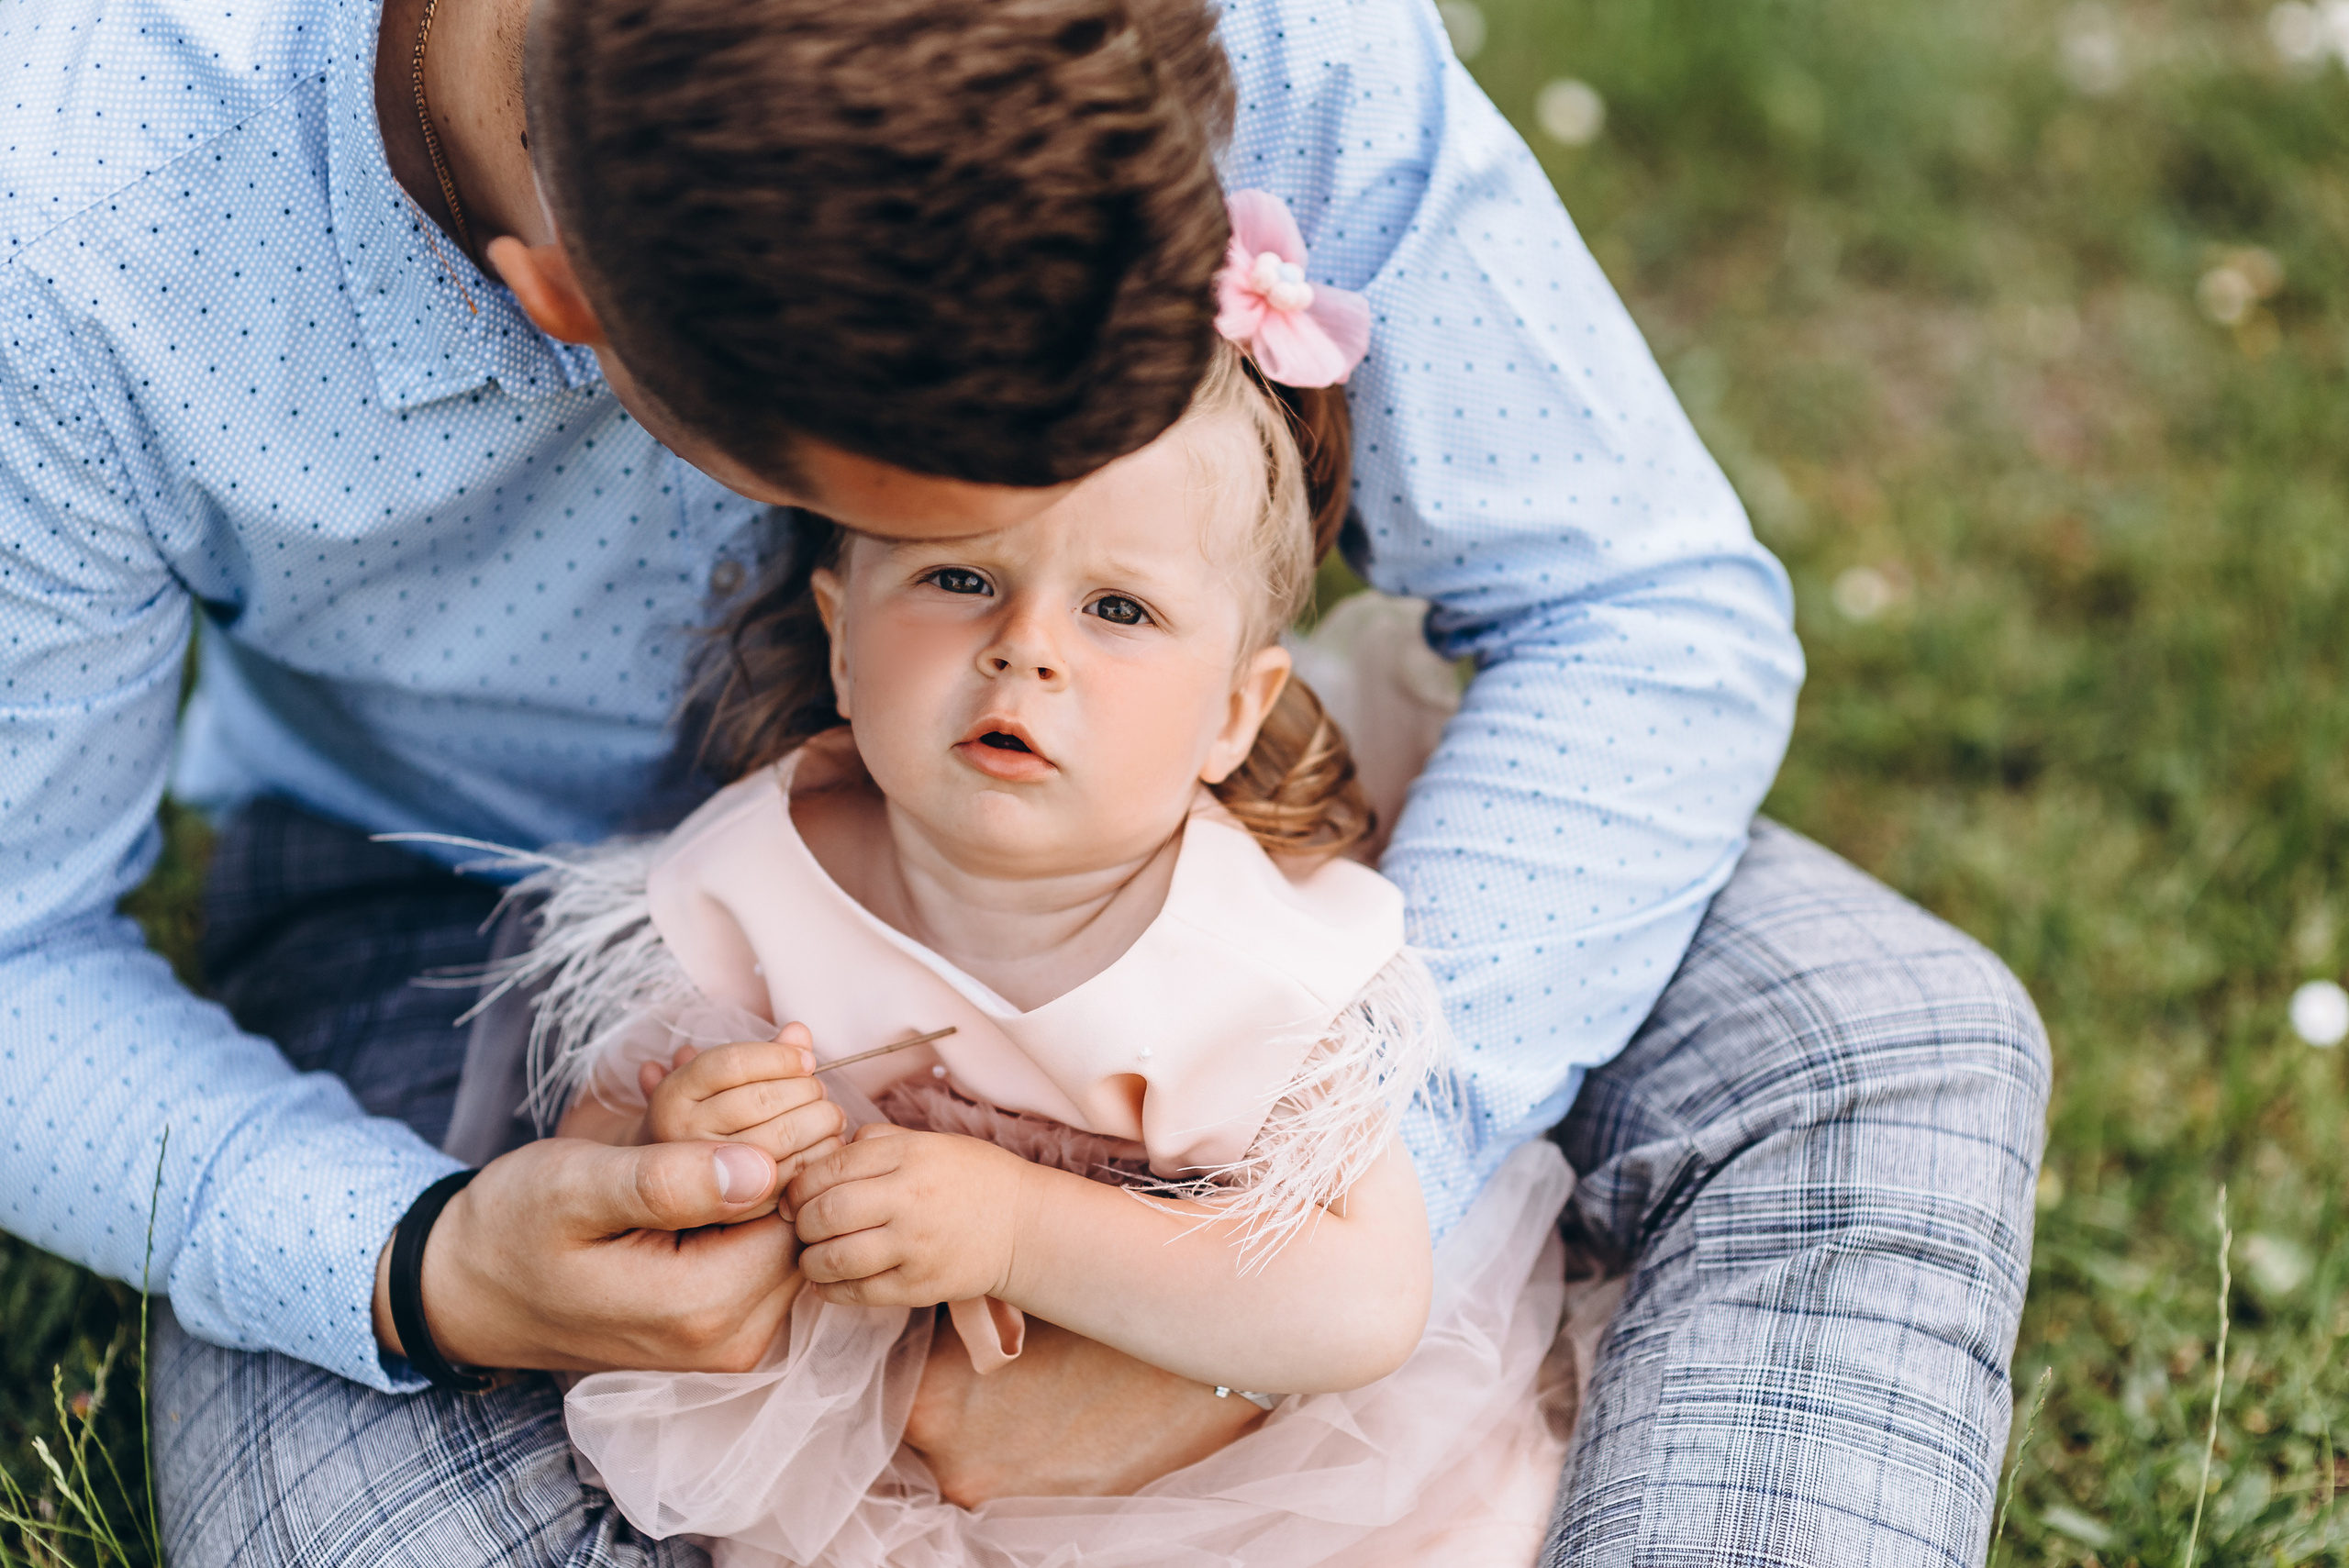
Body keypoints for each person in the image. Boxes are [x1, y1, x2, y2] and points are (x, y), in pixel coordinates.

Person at [0, 0, 2049, 1560]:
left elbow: (1638, 605)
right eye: (939, 556)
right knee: (344, 1499)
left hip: (1194, 853)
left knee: (1882, 1049)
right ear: (561, 315)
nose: (1011, 648)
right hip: (471, 906)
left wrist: (1274, 1231)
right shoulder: (85, 222)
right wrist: (413, 1259)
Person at [471, 314, 1577, 1565]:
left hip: (1226, 1460)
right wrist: (695, 1139)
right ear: (841, 634)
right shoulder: (757, 878)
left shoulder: (1236, 960)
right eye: (959, 577)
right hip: (861, 1447)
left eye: (1117, 606)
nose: (1025, 644)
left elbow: (1364, 1303)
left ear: (1231, 712)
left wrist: (1018, 1230)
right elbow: (601, 1141)